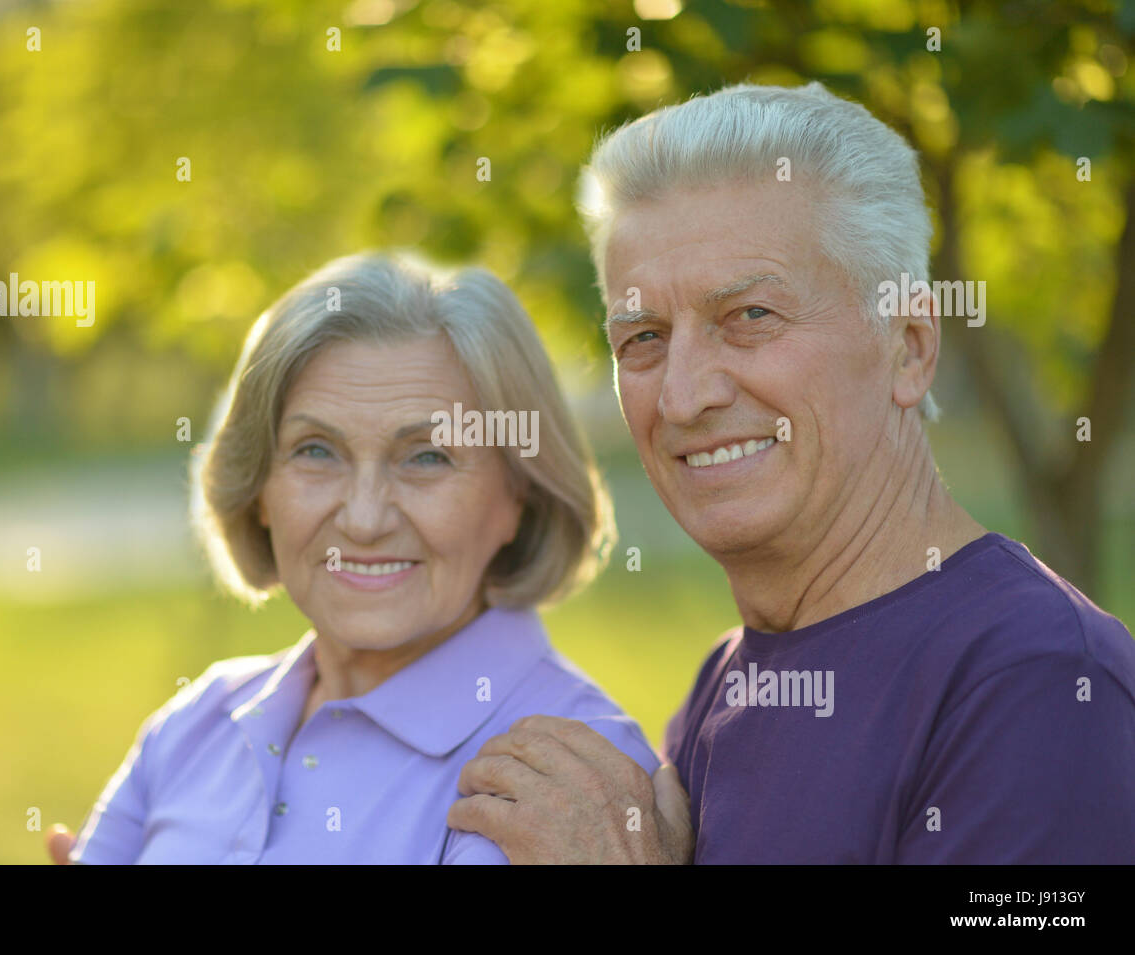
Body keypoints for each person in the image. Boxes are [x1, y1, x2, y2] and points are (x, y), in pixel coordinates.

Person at [447, 82, 1135, 864]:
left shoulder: (1036, 678)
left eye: (751, 317)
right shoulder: (731, 675)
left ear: (907, 347)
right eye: (641, 337)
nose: (683, 395)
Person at [61, 251, 658, 863]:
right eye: (316, 451)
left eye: (427, 457)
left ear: (518, 497)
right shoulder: (198, 721)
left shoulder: (569, 779)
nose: (365, 519)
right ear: (259, 489)